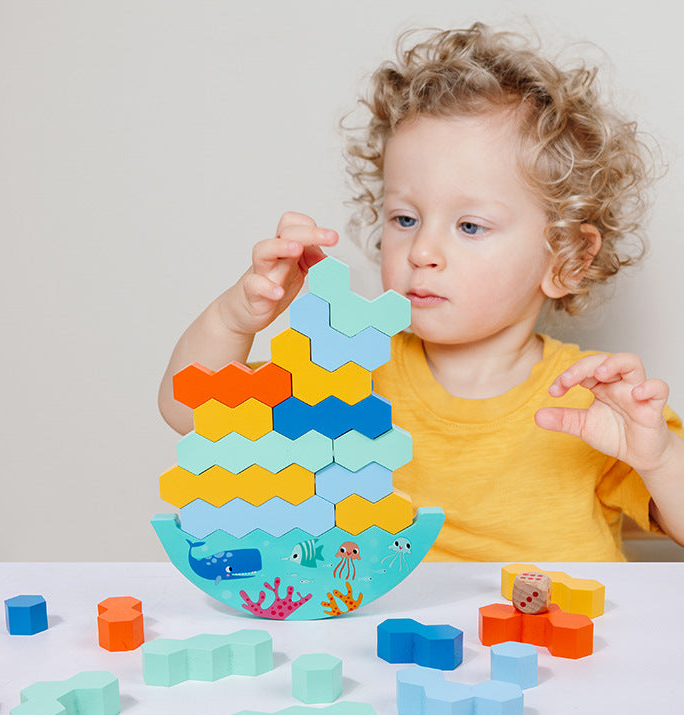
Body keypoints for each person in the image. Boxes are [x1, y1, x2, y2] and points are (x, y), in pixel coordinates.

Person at [158, 23, 684, 561]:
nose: (422, 250)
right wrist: (234, 319)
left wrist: (659, 457)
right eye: (405, 219)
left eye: (470, 226)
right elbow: (190, 414)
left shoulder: (593, 398)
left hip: (544, 618)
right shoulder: (352, 365)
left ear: (567, 257)